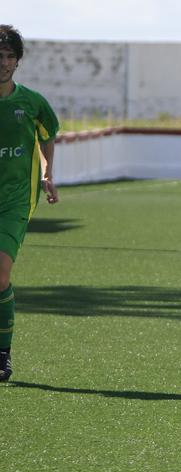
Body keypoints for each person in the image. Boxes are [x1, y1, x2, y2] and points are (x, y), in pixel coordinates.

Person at [0, 25, 59, 382]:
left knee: (0, 274)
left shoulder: (32, 103)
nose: (3, 62)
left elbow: (49, 135)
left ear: (17, 62)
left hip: (15, 201)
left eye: (9, 56)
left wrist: (49, 172)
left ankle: (2, 354)